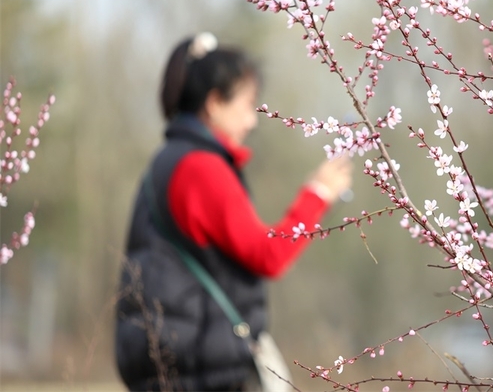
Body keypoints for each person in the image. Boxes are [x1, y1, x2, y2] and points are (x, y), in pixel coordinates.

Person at [115, 33, 353, 391]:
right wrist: (317, 195)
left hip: (175, 360)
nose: (251, 121)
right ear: (214, 103)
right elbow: (268, 254)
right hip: (202, 368)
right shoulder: (200, 169)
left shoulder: (167, 162)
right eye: (247, 105)